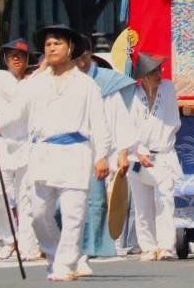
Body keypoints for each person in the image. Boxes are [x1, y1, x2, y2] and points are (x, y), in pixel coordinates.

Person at [0, 25, 111, 282]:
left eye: (57, 43)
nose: (52, 48)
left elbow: (100, 123)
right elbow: (17, 107)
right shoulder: (36, 83)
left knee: (73, 215)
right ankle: (56, 257)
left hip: (75, 153)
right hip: (42, 154)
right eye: (48, 44)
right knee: (39, 215)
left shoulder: (86, 85)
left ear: (70, 47)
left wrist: (102, 156)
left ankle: (65, 264)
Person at [74, 42, 137, 276]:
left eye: (83, 55)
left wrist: (123, 152)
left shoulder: (107, 83)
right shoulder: (66, 82)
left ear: (90, 54)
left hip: (101, 153)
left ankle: (83, 254)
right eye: (75, 56)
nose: (80, 61)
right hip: (70, 152)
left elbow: (120, 119)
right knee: (66, 207)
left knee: (96, 204)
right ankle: (67, 251)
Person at [0, 39, 41, 261]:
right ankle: (10, 240)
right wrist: (33, 80)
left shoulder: (33, 81)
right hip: (3, 144)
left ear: (27, 59)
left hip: (27, 145)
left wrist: (33, 79)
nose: (15, 59)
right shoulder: (1, 78)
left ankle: (26, 245)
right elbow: (15, 107)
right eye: (11, 55)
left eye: (20, 55)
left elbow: (25, 106)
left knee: (25, 198)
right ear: (5, 60)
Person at [125, 54, 182, 261]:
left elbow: (171, 122)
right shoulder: (132, 95)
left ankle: (166, 246)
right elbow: (127, 127)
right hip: (138, 155)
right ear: (143, 76)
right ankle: (148, 246)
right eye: (153, 71)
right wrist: (137, 152)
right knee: (142, 205)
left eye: (159, 70)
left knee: (165, 200)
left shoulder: (167, 89)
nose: (158, 74)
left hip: (162, 153)